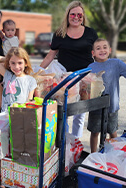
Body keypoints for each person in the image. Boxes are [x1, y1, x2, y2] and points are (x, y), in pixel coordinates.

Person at [39, 1, 98, 138]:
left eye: (79, 15)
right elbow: (50, 56)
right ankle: (64, 144)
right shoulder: (60, 33)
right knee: (63, 112)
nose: (76, 17)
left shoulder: (90, 33)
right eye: (73, 14)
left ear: (83, 17)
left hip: (85, 78)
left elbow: (98, 53)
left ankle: (75, 142)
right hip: (64, 80)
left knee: (79, 114)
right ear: (67, 15)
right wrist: (37, 72)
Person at [0, 47, 37, 112]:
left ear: (26, 63)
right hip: (4, 116)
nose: (16, 67)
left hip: (19, 116)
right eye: (13, 63)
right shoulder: (7, 75)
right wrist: (8, 59)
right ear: (9, 64)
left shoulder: (31, 80)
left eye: (20, 63)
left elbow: (29, 101)